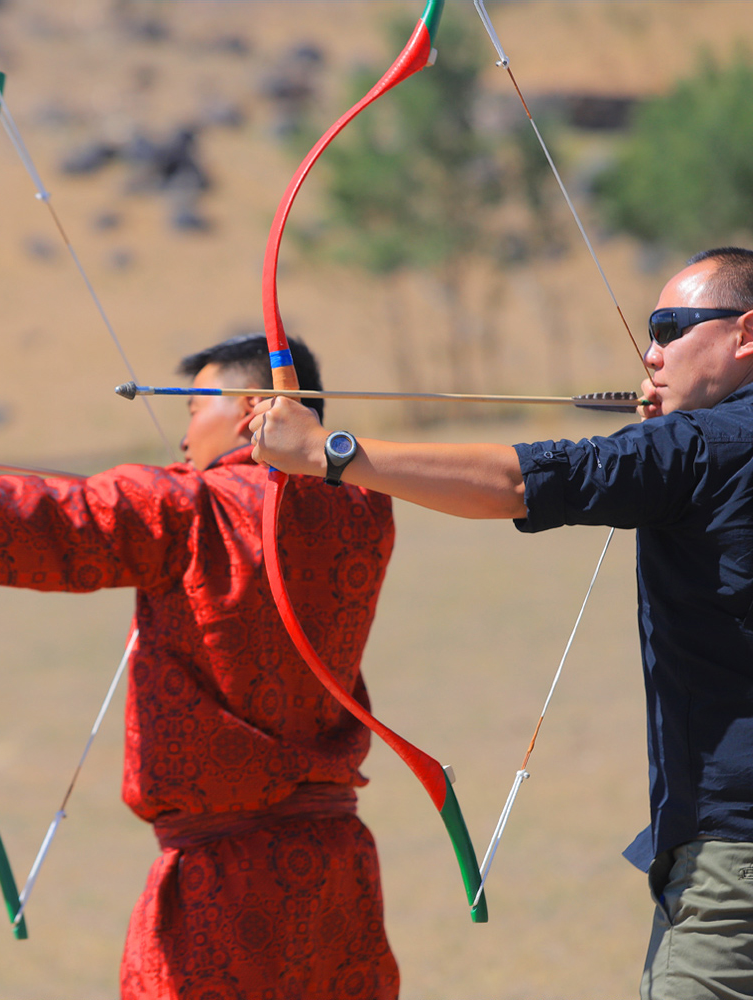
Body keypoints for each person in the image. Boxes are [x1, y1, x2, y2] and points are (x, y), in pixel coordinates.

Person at [0, 333, 399, 999]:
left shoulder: (187, 508)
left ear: (255, 408)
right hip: (339, 876)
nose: (183, 437)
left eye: (194, 406)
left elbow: (47, 525)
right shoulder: (365, 504)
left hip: (223, 888)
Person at [250, 246, 753, 1000]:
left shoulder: (699, 448)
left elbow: (520, 481)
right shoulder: (699, 448)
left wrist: (327, 451)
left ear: (746, 334)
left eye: (672, 327)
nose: (650, 354)